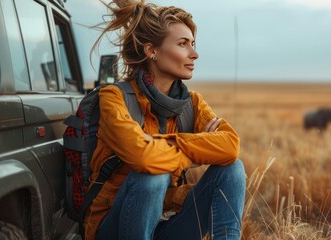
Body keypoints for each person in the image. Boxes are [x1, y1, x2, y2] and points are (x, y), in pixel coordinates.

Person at [84, 0, 246, 239]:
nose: (195, 53)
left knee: (232, 170)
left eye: (193, 44)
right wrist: (198, 147)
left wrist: (167, 145)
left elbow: (230, 146)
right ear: (152, 51)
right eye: (183, 44)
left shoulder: (193, 103)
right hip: (113, 228)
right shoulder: (114, 98)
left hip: (164, 219)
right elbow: (144, 158)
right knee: (153, 176)